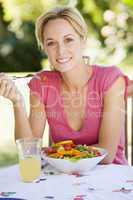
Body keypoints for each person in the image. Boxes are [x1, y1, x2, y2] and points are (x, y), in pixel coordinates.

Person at [0, 6, 130, 165]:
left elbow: (107, 154)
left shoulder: (110, 80)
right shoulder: (42, 85)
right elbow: (29, 152)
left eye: (68, 39)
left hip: (111, 179)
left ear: (83, 41)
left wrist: (57, 155)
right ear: (44, 48)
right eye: (51, 43)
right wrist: (17, 102)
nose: (60, 50)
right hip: (62, 181)